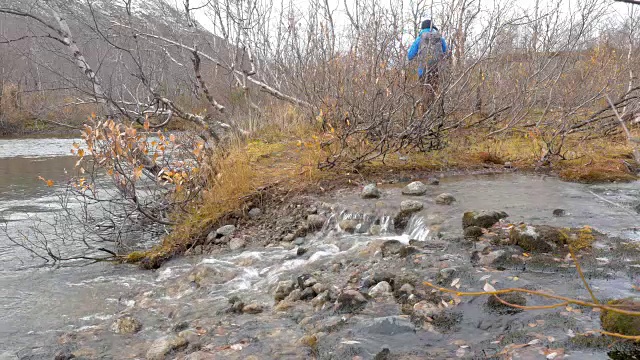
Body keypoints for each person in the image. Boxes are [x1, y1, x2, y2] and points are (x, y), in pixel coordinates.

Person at [408, 20, 448, 110]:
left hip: (423, 72)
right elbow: (447, 53)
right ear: (432, 27)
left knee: (424, 95)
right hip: (437, 72)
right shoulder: (440, 38)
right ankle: (433, 114)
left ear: (422, 28)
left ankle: (424, 118)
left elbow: (410, 56)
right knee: (434, 94)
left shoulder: (420, 38)